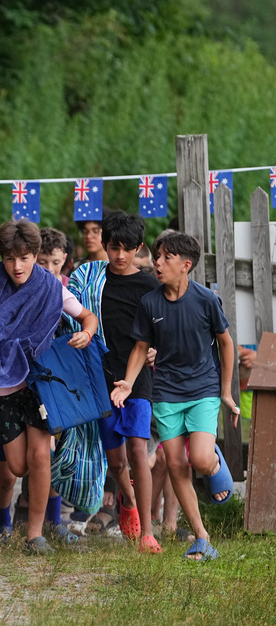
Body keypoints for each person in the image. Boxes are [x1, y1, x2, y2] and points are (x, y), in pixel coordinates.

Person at [0, 219, 98, 555]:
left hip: (41, 383)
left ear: (35, 255)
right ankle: (15, 519)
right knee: (17, 466)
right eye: (10, 259)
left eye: (24, 258)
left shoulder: (52, 288)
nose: (16, 266)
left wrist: (86, 333)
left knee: (41, 456)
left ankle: (35, 535)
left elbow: (88, 317)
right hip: (2, 386)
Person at [111, 231, 239, 561]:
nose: (158, 263)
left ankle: (212, 462)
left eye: (166, 258)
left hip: (202, 390)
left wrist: (225, 391)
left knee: (197, 457)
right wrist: (127, 382)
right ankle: (202, 537)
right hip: (166, 394)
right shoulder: (150, 303)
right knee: (176, 464)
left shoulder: (206, 300)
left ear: (185, 265)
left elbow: (226, 343)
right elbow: (141, 347)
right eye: (157, 256)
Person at [68, 211, 160, 552]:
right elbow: (69, 316)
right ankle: (128, 502)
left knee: (138, 449)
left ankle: (147, 530)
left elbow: (162, 332)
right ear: (104, 246)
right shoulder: (91, 280)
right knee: (116, 461)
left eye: (127, 248)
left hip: (137, 379)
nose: (119, 255)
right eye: (113, 247)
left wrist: (156, 351)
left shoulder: (150, 286)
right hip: (99, 377)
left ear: (138, 248)